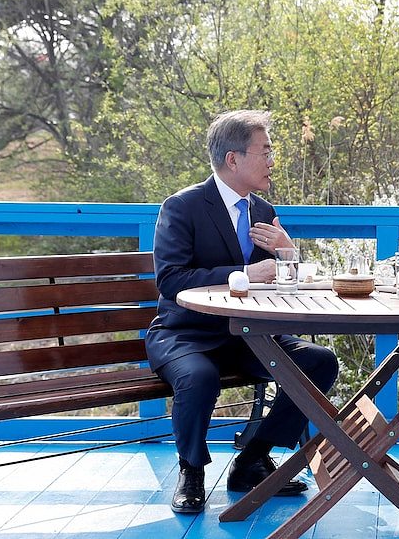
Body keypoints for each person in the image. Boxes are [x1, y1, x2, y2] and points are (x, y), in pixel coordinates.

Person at [145, 109, 339, 514]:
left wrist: (289, 254)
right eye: (265, 151)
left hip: (252, 336)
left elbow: (288, 287)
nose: (272, 161)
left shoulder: (264, 212)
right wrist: (245, 273)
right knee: (198, 377)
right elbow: (171, 280)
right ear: (232, 159)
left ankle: (252, 459)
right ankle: (191, 472)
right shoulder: (182, 207)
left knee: (319, 362)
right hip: (186, 334)